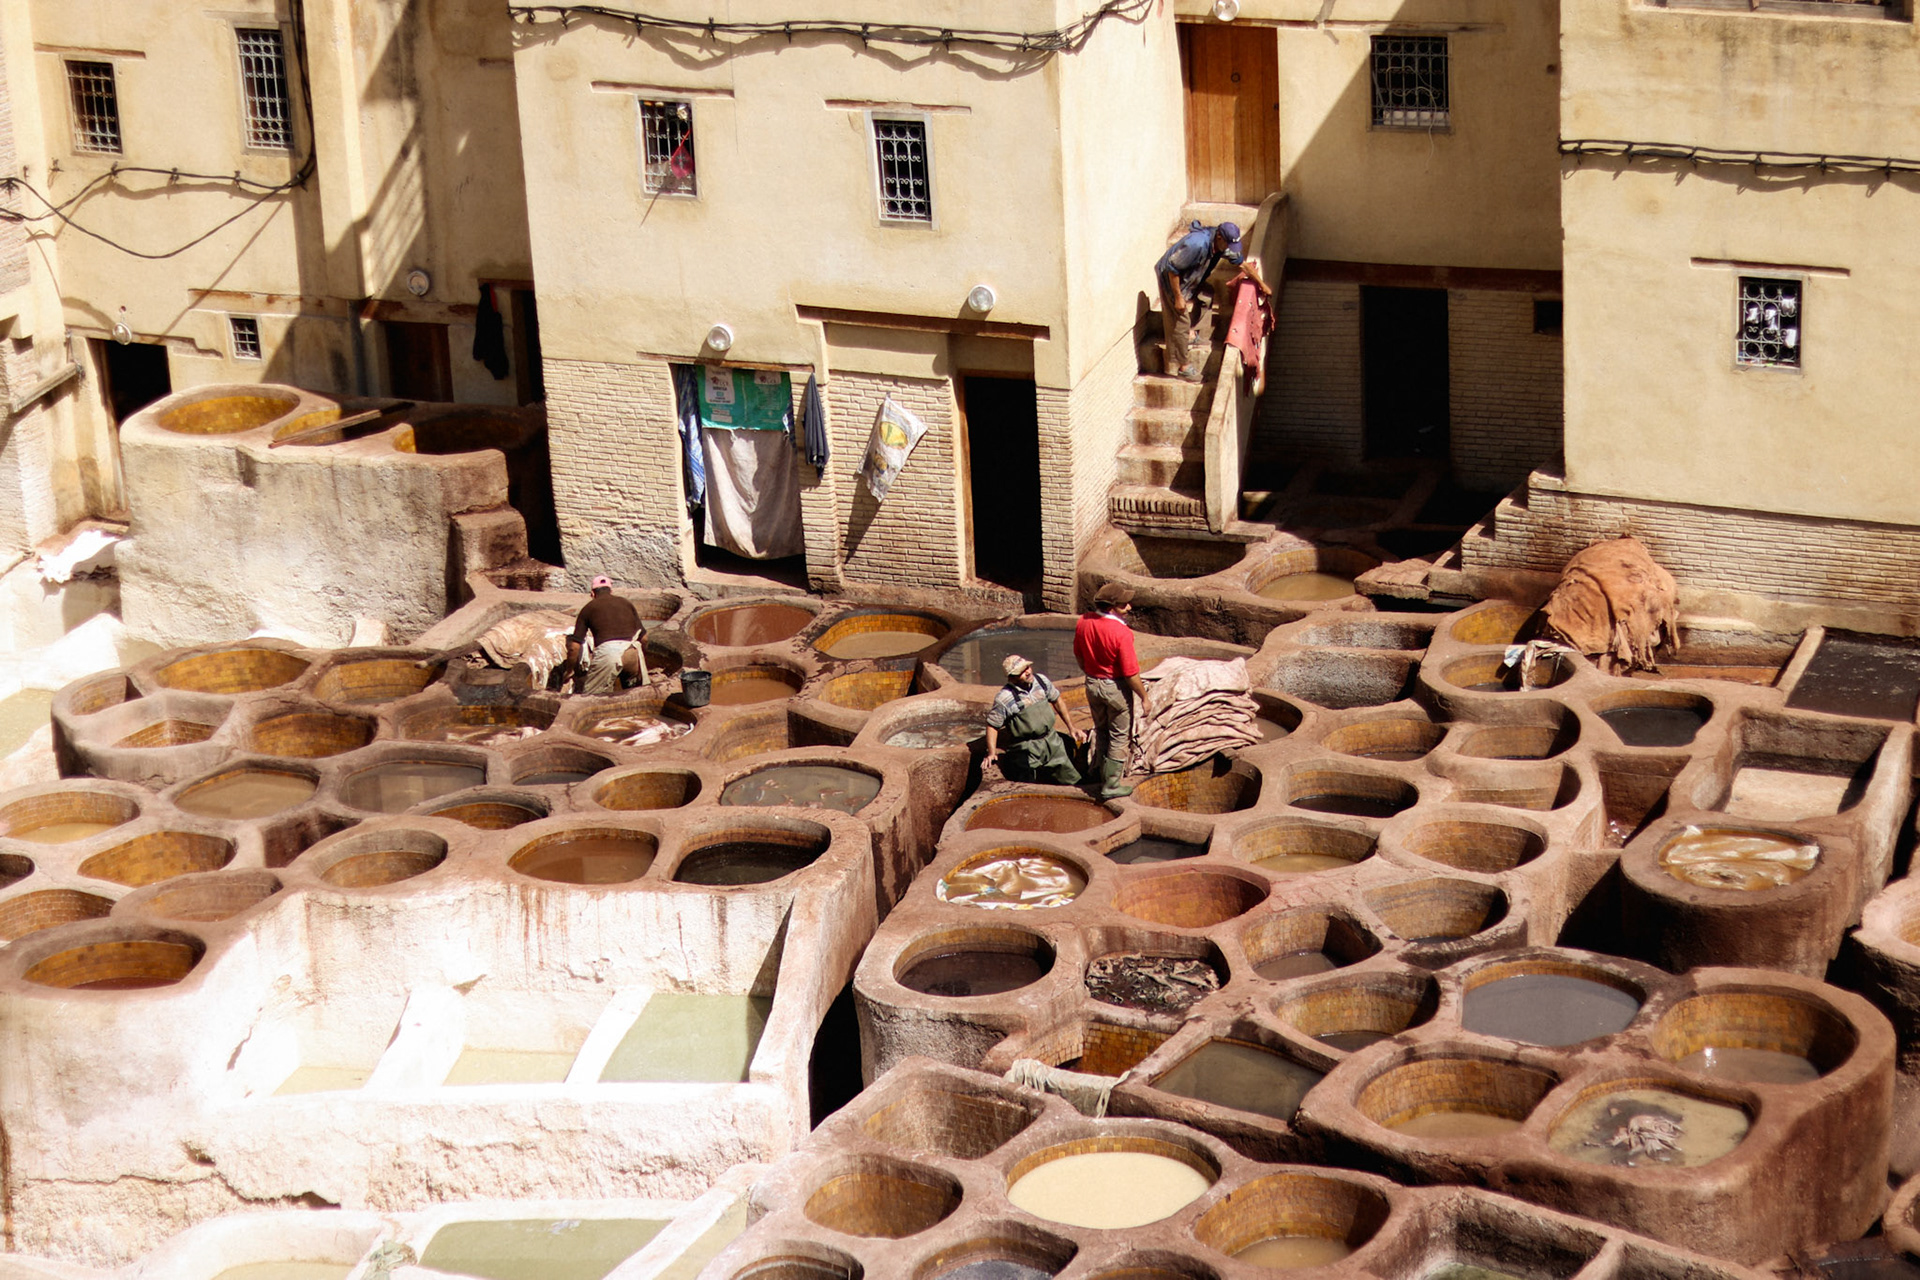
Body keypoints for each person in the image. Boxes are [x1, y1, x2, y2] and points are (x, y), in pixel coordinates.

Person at [1154, 220, 1272, 382]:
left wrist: (1262, 284)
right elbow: (1172, 269)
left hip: (1191, 274)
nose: (1230, 249)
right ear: (1219, 237)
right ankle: (1183, 366)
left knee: (1206, 293)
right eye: (1228, 245)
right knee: (1180, 319)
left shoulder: (1222, 244)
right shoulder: (1197, 244)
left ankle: (1192, 333)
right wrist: (1178, 297)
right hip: (1171, 277)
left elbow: (1243, 265)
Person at [1074, 582, 1148, 799]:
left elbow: (1079, 655)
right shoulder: (1121, 632)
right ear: (1112, 607)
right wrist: (1144, 697)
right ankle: (1112, 785)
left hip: (1092, 684)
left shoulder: (1083, 622)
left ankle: (1099, 772)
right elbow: (1130, 674)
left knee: (1102, 729)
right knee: (1119, 736)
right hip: (1114, 687)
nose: (1129, 607)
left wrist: (1091, 672)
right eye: (1124, 604)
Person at [983, 654, 1085, 786]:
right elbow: (992, 725)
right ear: (1012, 678)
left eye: (1028, 668)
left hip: (1051, 740)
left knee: (1071, 780)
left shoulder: (1041, 681)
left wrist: (1072, 728)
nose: (1028, 672)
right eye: (1022, 671)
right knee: (1025, 785)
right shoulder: (1004, 698)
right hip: (1026, 748)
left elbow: (1057, 700)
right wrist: (991, 753)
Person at [563, 575, 648, 695]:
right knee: (632, 696)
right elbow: (644, 638)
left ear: (592, 593)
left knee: (591, 698)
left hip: (609, 656)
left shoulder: (588, 609)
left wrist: (569, 670)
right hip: (632, 652)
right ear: (611, 590)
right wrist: (642, 657)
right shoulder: (626, 603)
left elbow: (574, 647)